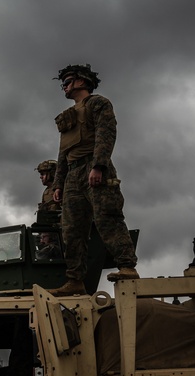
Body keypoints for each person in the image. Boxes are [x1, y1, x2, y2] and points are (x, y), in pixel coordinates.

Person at [50, 64, 138, 296]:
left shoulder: (99, 103)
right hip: (72, 173)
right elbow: (63, 152)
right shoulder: (68, 116)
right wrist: (58, 183)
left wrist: (99, 165)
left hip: (94, 167)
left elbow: (105, 134)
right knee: (71, 230)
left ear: (82, 81)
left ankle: (127, 266)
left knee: (107, 217)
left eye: (68, 81)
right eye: (64, 83)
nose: (65, 86)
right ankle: (75, 280)